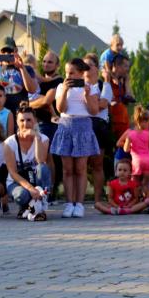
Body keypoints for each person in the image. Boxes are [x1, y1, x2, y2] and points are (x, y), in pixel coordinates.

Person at [51, 58, 101, 218]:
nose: (68, 76)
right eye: (66, 73)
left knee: (80, 168)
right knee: (67, 169)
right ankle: (69, 203)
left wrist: (86, 94)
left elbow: (94, 111)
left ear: (81, 73)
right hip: (66, 125)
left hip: (83, 126)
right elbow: (60, 109)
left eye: (72, 73)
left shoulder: (91, 87)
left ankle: (79, 204)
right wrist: (65, 91)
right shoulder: (61, 87)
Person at [3, 103, 51, 220]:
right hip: (17, 182)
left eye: (29, 120)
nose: (25, 124)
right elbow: (13, 173)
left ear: (35, 121)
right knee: (21, 195)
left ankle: (39, 209)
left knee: (43, 168)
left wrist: (37, 137)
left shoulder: (44, 139)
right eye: (22, 120)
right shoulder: (9, 143)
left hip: (37, 181)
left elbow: (40, 160)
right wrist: (30, 189)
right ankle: (26, 207)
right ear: (17, 122)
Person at [29, 51, 64, 200]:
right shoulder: (37, 81)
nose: (46, 64)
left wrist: (27, 104)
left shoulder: (59, 82)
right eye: (44, 61)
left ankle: (50, 192)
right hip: (35, 123)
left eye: (50, 62)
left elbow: (46, 101)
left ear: (57, 65)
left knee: (47, 158)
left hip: (50, 124)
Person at [84, 53, 112, 203]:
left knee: (97, 164)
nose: (86, 68)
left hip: (98, 127)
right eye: (84, 65)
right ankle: (78, 200)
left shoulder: (104, 85)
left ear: (97, 68)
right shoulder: (78, 85)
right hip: (82, 125)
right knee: (80, 165)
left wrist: (87, 102)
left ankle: (97, 200)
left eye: (90, 65)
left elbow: (102, 105)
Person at [0, 37, 38, 114]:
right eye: (3, 51)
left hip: (21, 113)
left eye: (10, 51)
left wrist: (22, 68)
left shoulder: (27, 68)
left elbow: (32, 90)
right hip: (0, 113)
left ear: (16, 50)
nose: (7, 54)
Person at [117, 106, 149, 188]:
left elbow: (126, 149)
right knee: (146, 183)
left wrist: (132, 146)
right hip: (148, 160)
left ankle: (136, 195)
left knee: (135, 183)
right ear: (146, 121)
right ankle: (145, 195)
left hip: (137, 161)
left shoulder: (130, 134)